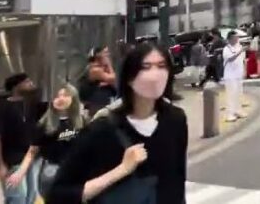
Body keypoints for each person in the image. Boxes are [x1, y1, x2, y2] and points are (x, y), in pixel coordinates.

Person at [47, 43, 187, 204]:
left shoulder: (176, 120)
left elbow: (178, 182)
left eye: (162, 66)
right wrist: (122, 169)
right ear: (129, 77)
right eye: (146, 67)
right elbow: (58, 194)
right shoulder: (102, 129)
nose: (155, 75)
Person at [10, 83, 87, 199]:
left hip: (76, 169)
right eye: (57, 96)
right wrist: (20, 172)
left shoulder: (82, 122)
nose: (60, 99)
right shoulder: (45, 124)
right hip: (52, 169)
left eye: (65, 95)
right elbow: (32, 151)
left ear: (74, 99)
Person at [0, 72, 39, 204]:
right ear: (16, 86)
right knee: (17, 197)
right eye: (26, 82)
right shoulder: (3, 107)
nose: (30, 84)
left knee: (31, 195)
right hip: (12, 159)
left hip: (30, 157)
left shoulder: (29, 104)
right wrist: (1, 164)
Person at [79, 47, 118, 114]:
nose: (108, 56)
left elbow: (114, 82)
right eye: (105, 53)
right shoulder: (94, 70)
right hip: (95, 106)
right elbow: (112, 78)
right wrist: (108, 64)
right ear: (98, 56)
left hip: (105, 104)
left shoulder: (102, 69)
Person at [222, 31, 246, 122]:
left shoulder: (239, 47)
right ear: (230, 39)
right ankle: (230, 114)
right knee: (231, 95)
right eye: (235, 37)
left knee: (238, 93)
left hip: (238, 74)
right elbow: (230, 59)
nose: (237, 39)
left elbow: (243, 60)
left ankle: (238, 111)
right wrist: (240, 51)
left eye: (237, 37)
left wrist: (244, 71)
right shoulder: (226, 49)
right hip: (230, 76)